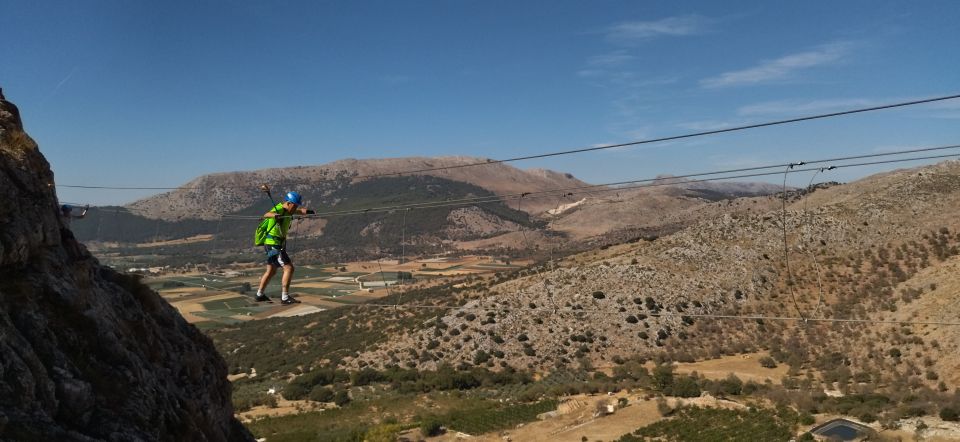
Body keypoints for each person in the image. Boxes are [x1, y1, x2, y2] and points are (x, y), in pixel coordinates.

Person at [255, 191, 314, 305]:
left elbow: (300, 211)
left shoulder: (288, 210)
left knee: (271, 271)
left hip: (272, 244)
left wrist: (310, 212)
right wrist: (276, 216)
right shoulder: (279, 209)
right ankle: (285, 297)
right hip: (274, 244)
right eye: (294, 205)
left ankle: (259, 295)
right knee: (289, 268)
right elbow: (267, 214)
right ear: (288, 203)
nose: (295, 207)